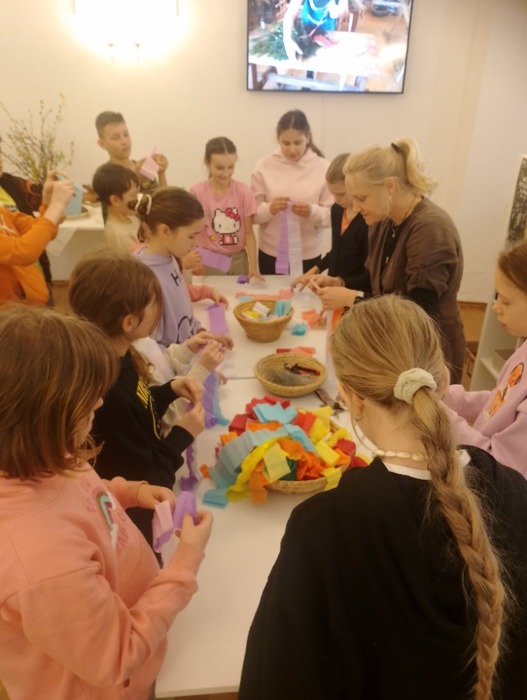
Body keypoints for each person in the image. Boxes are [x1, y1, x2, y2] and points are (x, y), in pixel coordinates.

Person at [239, 294, 527, 700]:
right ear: (444, 381)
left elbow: (278, 680)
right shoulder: (516, 492)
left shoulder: (320, 532)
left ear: (352, 399)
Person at [0, 304, 212, 700]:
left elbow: (83, 491)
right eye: (89, 398)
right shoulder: (43, 563)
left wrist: (129, 492)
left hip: (141, 616)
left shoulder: (47, 457)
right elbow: (118, 656)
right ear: (43, 417)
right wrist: (186, 561)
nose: (100, 404)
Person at [68, 250, 216, 549]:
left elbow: (141, 408)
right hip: (134, 521)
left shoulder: (120, 359)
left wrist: (169, 390)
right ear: (128, 322)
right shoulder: (108, 396)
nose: (159, 309)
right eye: (154, 303)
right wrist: (182, 435)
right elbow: (147, 479)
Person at [323, 138, 465, 383]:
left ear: (389, 186)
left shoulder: (430, 228)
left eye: (361, 198)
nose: (355, 207)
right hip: (396, 340)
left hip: (429, 352)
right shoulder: (384, 220)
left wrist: (352, 299)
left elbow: (420, 308)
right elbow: (376, 280)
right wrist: (341, 282)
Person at [443, 239, 527, 476]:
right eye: (497, 296)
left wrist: (444, 417)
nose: (495, 307)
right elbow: (501, 400)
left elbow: (500, 464)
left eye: (506, 301)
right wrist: (451, 399)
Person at [134, 187, 233, 348]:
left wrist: (200, 333)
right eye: (191, 236)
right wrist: (188, 352)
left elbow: (181, 308)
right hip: (175, 362)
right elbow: (149, 349)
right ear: (165, 231)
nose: (195, 243)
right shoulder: (144, 279)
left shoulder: (170, 258)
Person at [250, 109, 332, 275]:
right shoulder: (263, 166)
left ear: (307, 137)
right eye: (286, 143)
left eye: (297, 142)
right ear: (278, 140)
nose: (292, 150)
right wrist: (270, 209)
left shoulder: (324, 168)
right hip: (270, 252)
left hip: (309, 253)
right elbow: (252, 214)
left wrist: (311, 211)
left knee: (305, 292)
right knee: (272, 292)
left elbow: (333, 217)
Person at [291, 152, 369, 299]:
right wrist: (314, 270)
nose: (336, 199)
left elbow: (369, 274)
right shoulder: (337, 209)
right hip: (334, 288)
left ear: (355, 186)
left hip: (355, 294)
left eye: (341, 194)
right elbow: (337, 250)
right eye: (333, 194)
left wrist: (338, 283)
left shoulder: (368, 219)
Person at [189, 136, 261, 279]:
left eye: (231, 167)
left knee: (239, 292)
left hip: (238, 259)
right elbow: (191, 231)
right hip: (208, 259)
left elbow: (249, 233)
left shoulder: (243, 192)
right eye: (220, 168)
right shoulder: (197, 193)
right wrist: (193, 256)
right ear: (207, 163)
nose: (226, 173)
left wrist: (254, 266)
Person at [0, 170, 73, 305]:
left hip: (32, 303)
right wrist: (56, 205)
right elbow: (23, 252)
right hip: (11, 314)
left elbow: (40, 231)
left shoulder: (3, 212)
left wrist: (48, 202)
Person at [0, 135, 54, 299]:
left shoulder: (4, 208)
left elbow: (40, 228)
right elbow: (22, 252)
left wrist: (48, 203)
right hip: (10, 310)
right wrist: (56, 208)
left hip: (32, 298)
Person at [95, 111, 169, 195]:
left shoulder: (142, 168)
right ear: (102, 144)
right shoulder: (104, 175)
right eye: (116, 137)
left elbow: (164, 201)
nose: (124, 141)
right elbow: (115, 201)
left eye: (126, 135)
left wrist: (161, 173)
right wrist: (136, 176)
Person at [92, 162, 141, 252]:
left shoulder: (132, 218)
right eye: (134, 195)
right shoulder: (118, 235)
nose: (137, 198)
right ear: (115, 200)